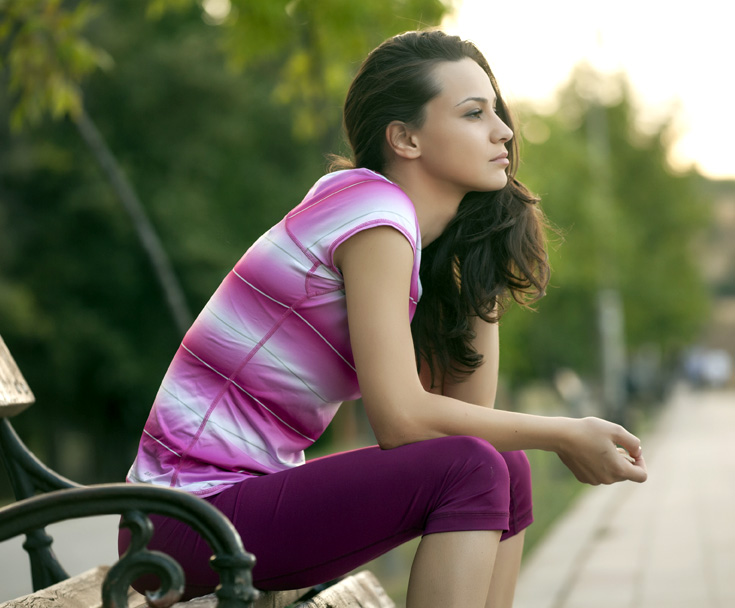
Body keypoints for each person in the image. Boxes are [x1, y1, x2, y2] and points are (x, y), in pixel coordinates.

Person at [120, 30, 647, 608]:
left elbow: (469, 418)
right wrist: (567, 433)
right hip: (181, 518)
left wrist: (483, 259)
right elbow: (399, 419)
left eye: (497, 111)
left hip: (230, 510)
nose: (504, 131)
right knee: (471, 468)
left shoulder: (399, 230)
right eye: (474, 114)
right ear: (405, 138)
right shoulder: (373, 215)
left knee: (504, 465)